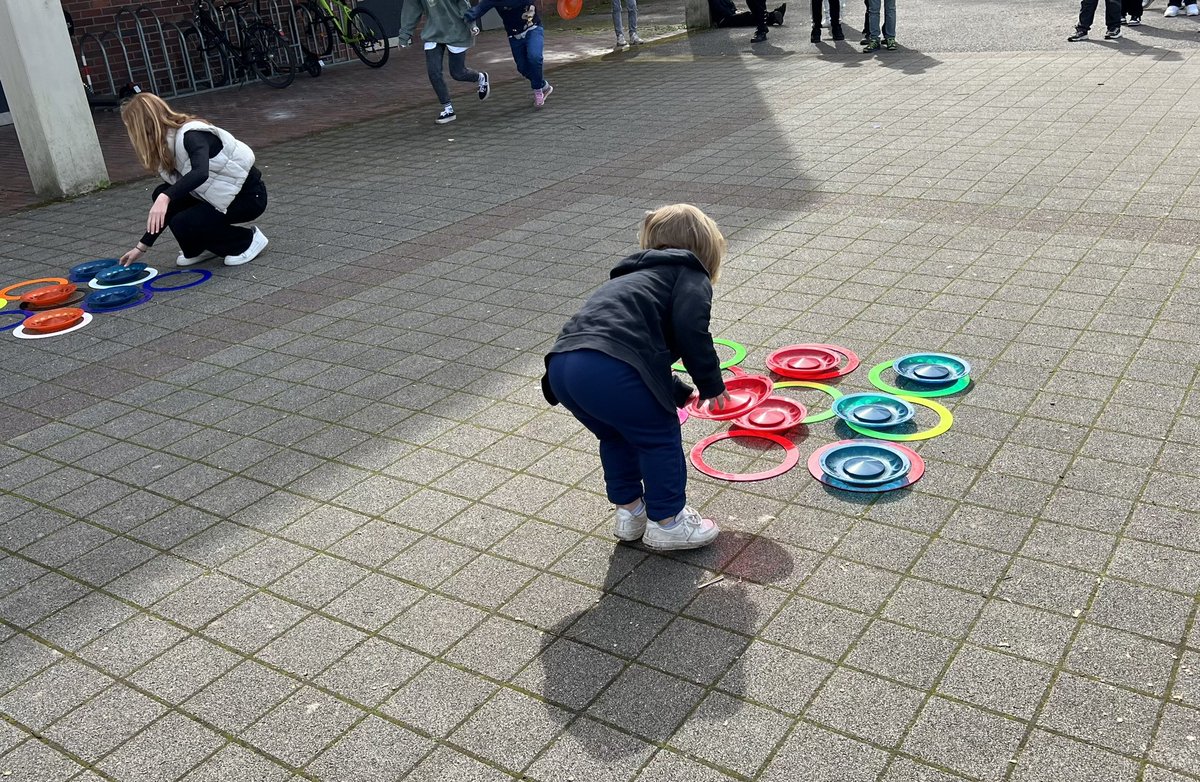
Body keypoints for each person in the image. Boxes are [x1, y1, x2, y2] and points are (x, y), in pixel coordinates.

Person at [541, 204, 731, 551]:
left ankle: (630, 513)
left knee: (616, 436)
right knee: (659, 437)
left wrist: (675, 390)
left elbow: (632, 347)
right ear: (706, 248)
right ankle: (668, 522)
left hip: (563, 367)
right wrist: (710, 383)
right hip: (611, 366)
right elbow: (692, 328)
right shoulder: (689, 275)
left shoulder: (630, 278)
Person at [118, 93, 267, 268]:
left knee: (184, 217)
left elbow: (200, 173)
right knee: (161, 193)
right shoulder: (166, 143)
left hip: (248, 196)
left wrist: (165, 197)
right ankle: (198, 249)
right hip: (216, 195)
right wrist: (141, 247)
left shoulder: (192, 134)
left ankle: (246, 241)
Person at [399, 0, 491, 124]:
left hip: (456, 30)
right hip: (433, 32)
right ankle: (448, 109)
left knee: (458, 73)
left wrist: (471, 24)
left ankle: (480, 77)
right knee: (434, 72)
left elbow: (463, 3)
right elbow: (411, 10)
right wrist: (404, 35)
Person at [464, 0, 552, 107]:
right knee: (522, 68)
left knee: (535, 57)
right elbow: (479, 9)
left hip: (533, 29)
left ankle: (538, 90)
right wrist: (464, 18)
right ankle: (543, 86)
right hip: (514, 35)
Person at [708, 0, 786, 29]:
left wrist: (735, 10)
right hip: (724, 19)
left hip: (729, 15)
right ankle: (773, 16)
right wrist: (733, 12)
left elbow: (731, 4)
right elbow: (720, 10)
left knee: (748, 16)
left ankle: (773, 16)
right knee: (747, 16)